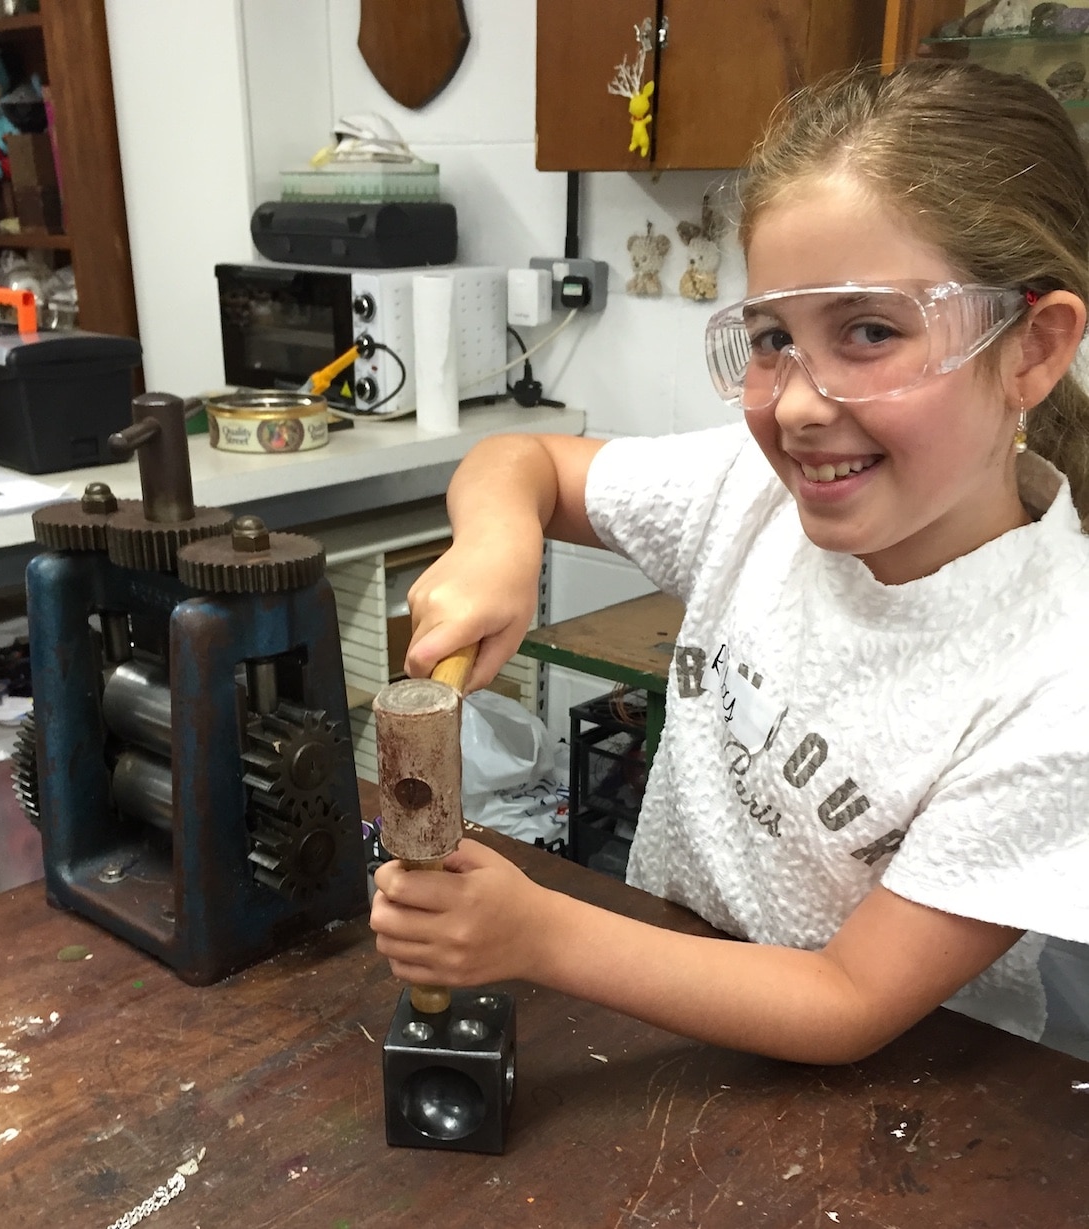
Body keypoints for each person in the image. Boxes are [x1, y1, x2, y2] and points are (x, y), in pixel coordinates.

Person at [368, 59, 1089, 1065]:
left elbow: (848, 998)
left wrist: (536, 932)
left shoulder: (1059, 675)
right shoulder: (752, 495)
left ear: (1030, 348)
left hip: (911, 1097)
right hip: (675, 997)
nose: (794, 402)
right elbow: (517, 458)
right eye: (768, 338)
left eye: (868, 330)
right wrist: (500, 540)